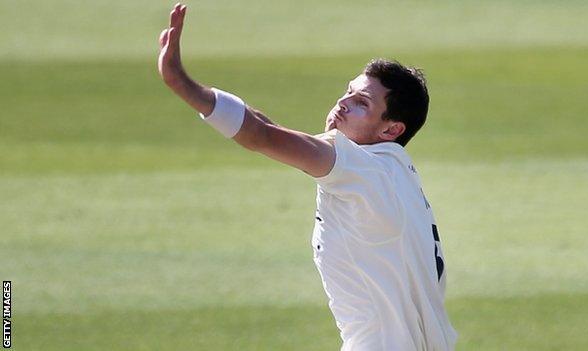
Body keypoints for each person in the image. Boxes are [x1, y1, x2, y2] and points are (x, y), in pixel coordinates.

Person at [158, 4, 457, 350]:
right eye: (347, 91)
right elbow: (269, 127)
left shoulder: (359, 168)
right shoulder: (398, 175)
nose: (342, 102)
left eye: (361, 102)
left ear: (391, 129)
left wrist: (179, 81)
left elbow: (261, 136)